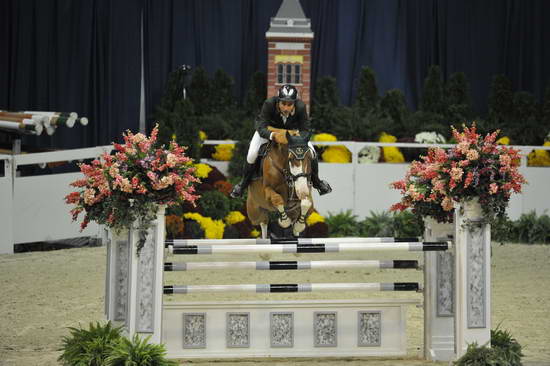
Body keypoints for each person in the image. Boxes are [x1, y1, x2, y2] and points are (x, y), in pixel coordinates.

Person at [230, 84, 332, 198]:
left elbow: (305, 130)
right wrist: (273, 135)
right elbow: (261, 127)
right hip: (268, 132)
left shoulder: (301, 107)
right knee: (252, 153)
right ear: (278, 102)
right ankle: (243, 184)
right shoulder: (269, 104)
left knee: (312, 152)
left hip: (292, 135)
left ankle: (317, 182)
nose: (286, 108)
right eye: (283, 103)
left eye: (290, 104)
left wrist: (297, 139)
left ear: (294, 103)